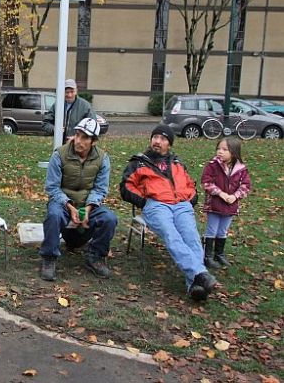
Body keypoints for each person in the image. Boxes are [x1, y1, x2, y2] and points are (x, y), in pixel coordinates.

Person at [120, 125, 217, 301]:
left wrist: (191, 199)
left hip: (181, 204)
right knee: (171, 234)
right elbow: (126, 186)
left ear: (169, 144)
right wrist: (144, 201)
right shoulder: (139, 162)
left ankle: (195, 285)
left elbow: (190, 184)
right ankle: (200, 274)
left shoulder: (177, 162)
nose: (157, 141)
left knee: (192, 236)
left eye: (163, 139)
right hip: (156, 205)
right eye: (155, 137)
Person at [40, 117, 118, 281]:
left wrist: (88, 208)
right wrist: (69, 206)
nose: (78, 141)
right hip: (62, 203)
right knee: (54, 215)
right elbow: (52, 187)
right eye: (77, 135)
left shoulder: (102, 158)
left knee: (109, 219)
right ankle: (49, 258)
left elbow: (100, 189)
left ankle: (95, 256)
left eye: (84, 137)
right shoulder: (59, 155)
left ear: (94, 141)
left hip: (88, 204)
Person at [201, 137, 251, 268]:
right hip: (214, 205)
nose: (220, 152)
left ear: (233, 153)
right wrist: (221, 193)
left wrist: (235, 196)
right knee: (211, 230)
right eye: (218, 148)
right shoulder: (213, 165)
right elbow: (206, 182)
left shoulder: (241, 169)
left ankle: (219, 254)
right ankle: (207, 256)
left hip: (230, 206)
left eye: (224, 149)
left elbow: (245, 186)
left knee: (223, 231)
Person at [42, 78, 96, 143]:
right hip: (60, 145)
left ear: (76, 91)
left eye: (72, 91)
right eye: (67, 92)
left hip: (79, 144)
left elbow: (92, 126)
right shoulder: (57, 105)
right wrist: (54, 129)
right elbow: (46, 123)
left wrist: (77, 137)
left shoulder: (85, 106)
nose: (69, 95)